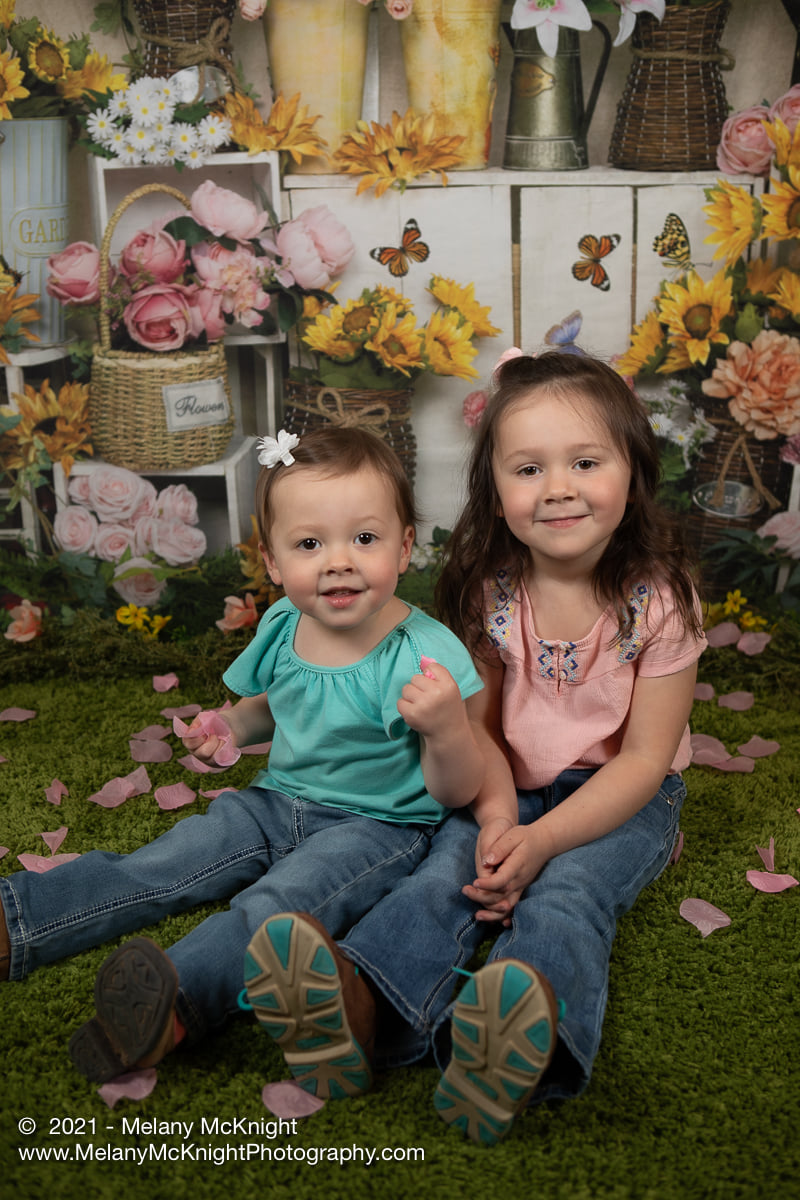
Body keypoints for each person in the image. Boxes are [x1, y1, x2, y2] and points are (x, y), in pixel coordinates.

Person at [241, 351, 707, 1143]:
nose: (557, 487)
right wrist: (497, 820)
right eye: (529, 469)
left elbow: (641, 758)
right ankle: (362, 1011)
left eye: (586, 462)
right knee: (446, 875)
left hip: (626, 795)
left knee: (569, 895)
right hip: (508, 782)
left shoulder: (659, 601)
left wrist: (543, 839)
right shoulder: (496, 590)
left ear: (633, 471)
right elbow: (481, 730)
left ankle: (516, 1042)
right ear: (495, 488)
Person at [0, 426, 486, 1086]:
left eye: (364, 539)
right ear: (274, 562)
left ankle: (171, 1005)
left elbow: (458, 792)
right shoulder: (286, 624)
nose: (338, 561)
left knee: (279, 903)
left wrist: (448, 729)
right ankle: (20, 917)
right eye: (310, 544)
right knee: (167, 861)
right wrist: (230, 728)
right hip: (275, 801)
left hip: (376, 828)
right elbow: (275, 706)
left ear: (404, 548)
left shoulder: (426, 655)